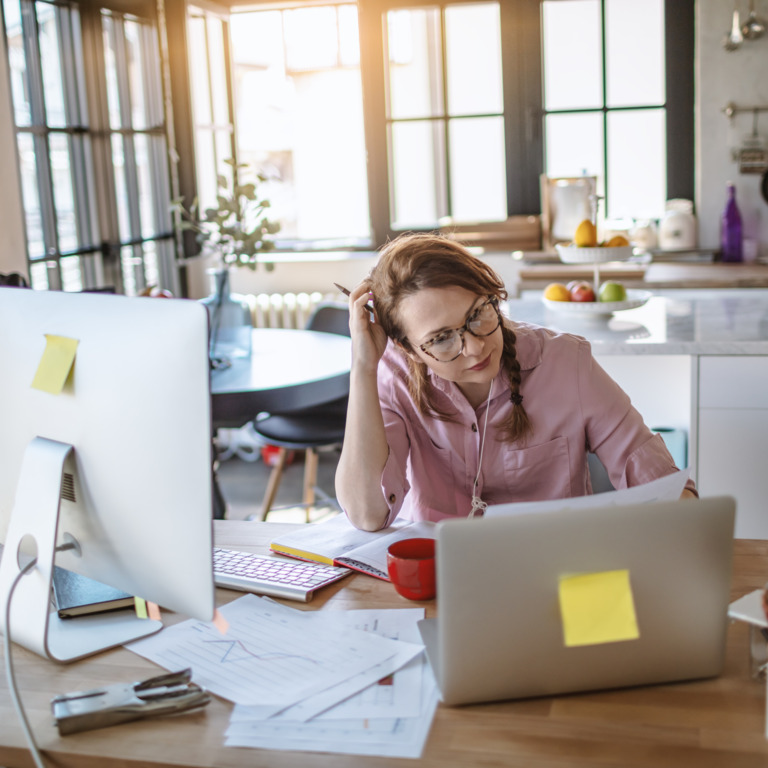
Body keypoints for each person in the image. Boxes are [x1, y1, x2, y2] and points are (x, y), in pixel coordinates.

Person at [335, 233, 697, 532]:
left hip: (558, 572)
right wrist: (364, 366)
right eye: (442, 338)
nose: (475, 347)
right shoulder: (394, 376)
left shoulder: (566, 364)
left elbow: (664, 488)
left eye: (478, 313)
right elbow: (369, 515)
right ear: (409, 349)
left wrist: (678, 514)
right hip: (442, 578)